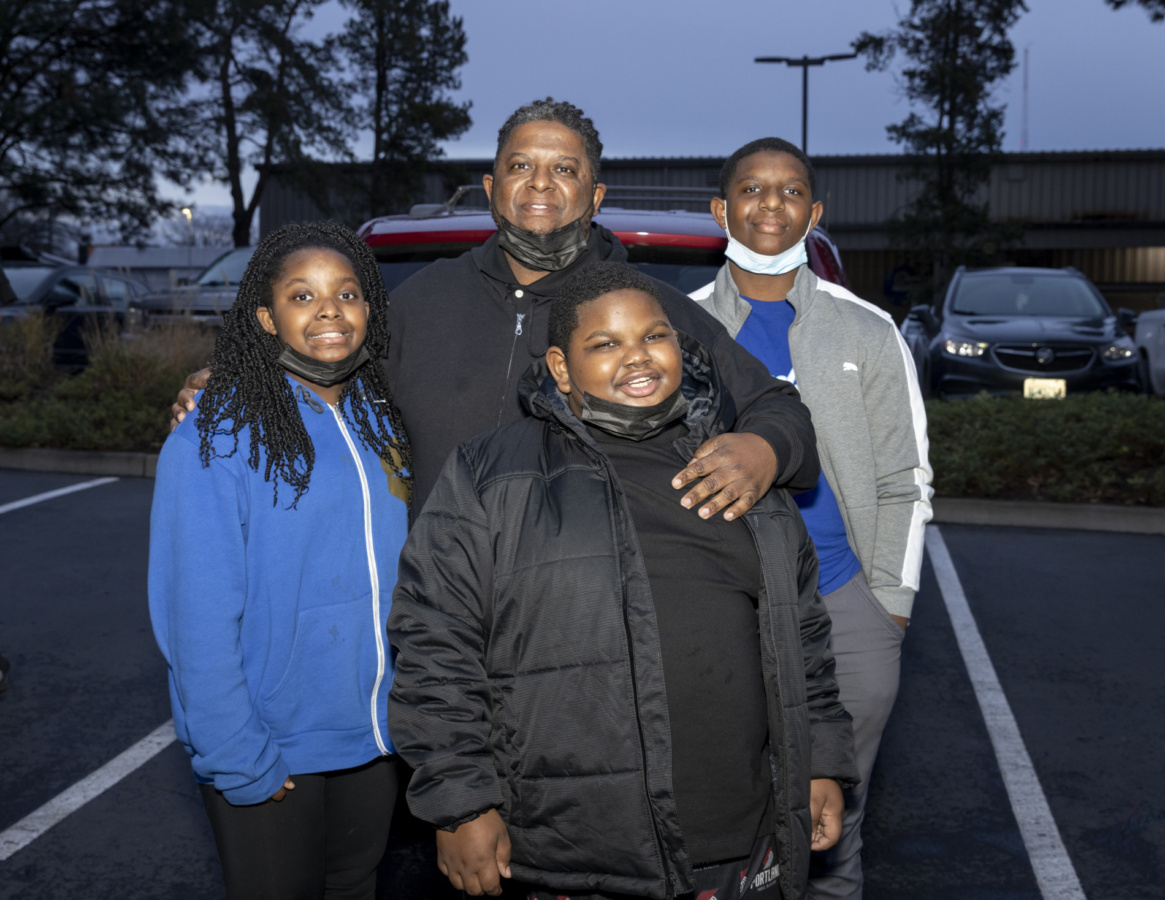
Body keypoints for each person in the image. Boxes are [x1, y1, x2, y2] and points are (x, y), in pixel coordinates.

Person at [386, 261, 858, 900]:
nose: (637, 357)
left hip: (743, 843)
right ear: (561, 367)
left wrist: (820, 761)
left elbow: (803, 640)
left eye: (654, 336)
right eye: (605, 343)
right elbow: (433, 642)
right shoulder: (492, 474)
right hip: (575, 851)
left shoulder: (737, 468)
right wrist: (460, 803)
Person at [173, 98, 822, 524]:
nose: (540, 183)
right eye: (520, 166)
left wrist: (764, 450)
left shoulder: (645, 311)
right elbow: (324, 380)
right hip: (432, 616)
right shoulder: (422, 298)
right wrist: (232, 387)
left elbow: (778, 407)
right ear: (492, 188)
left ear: (594, 196)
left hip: (578, 626)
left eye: (564, 169)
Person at [691, 137, 933, 899]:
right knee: (724, 823)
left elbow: (905, 479)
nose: (770, 204)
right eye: (751, 189)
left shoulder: (867, 330)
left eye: (790, 190)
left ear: (814, 211)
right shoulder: (678, 329)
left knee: (833, 829)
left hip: (844, 602)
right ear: (720, 209)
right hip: (722, 607)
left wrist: (888, 603)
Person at [148, 222, 412, 899]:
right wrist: (237, 755)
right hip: (270, 745)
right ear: (266, 318)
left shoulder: (381, 420)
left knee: (354, 888)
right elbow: (195, 616)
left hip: (374, 738)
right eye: (302, 296)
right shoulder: (214, 433)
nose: (330, 311)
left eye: (347, 293)